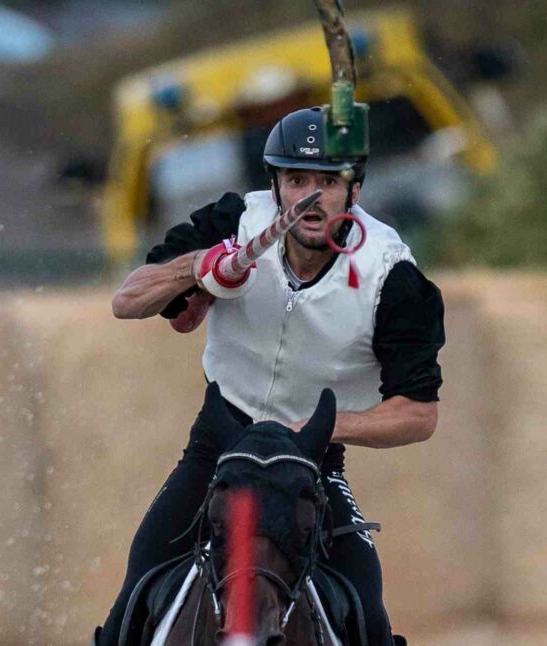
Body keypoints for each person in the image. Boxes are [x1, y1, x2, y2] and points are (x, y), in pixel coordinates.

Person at [98, 106, 445, 646]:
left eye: (327, 181)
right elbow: (127, 301)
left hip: (310, 461)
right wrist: (203, 266)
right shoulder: (235, 221)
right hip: (219, 447)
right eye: (296, 179)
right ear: (276, 185)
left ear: (354, 190)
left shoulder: (391, 275)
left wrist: (328, 428)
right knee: (133, 598)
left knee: (368, 613)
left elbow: (419, 415)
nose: (310, 197)